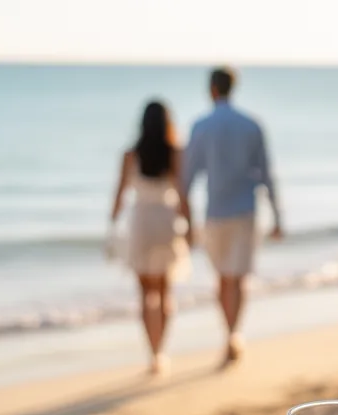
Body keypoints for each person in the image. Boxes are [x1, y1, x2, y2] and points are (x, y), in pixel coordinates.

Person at [183, 66, 284, 367]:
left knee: (222, 279)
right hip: (245, 211)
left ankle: (229, 334)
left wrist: (185, 221)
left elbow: (186, 178)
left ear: (212, 89)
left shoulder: (201, 125)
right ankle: (234, 334)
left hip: (216, 212)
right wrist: (278, 216)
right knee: (238, 279)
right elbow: (267, 175)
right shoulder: (251, 125)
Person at [109, 100, 193, 376]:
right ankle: (163, 349)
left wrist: (112, 226)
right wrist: (190, 225)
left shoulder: (131, 155)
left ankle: (153, 353)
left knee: (145, 294)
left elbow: (120, 194)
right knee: (165, 291)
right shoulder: (174, 153)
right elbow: (182, 194)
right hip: (166, 222)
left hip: (142, 223)